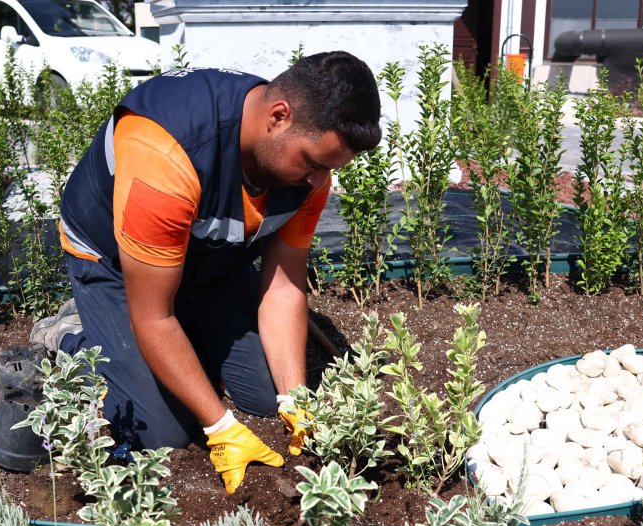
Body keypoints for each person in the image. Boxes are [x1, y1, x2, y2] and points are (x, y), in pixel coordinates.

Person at [30, 52, 382, 493]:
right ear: (278, 116)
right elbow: (153, 316)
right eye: (313, 163)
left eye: (329, 168)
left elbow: (285, 283)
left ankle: (183, 340)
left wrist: (297, 401)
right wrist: (220, 427)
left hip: (205, 258)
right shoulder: (167, 154)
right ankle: (70, 333)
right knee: (162, 430)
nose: (319, 182)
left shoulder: (307, 170)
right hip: (116, 263)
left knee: (263, 393)